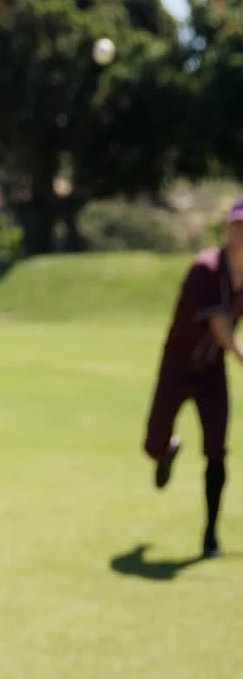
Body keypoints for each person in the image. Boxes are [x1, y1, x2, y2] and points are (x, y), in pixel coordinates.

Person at [144, 198, 243, 558]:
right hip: (177, 366)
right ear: (227, 228)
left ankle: (210, 534)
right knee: (152, 442)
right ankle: (166, 450)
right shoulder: (205, 269)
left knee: (217, 450)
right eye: (238, 226)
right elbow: (219, 325)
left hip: (212, 374)